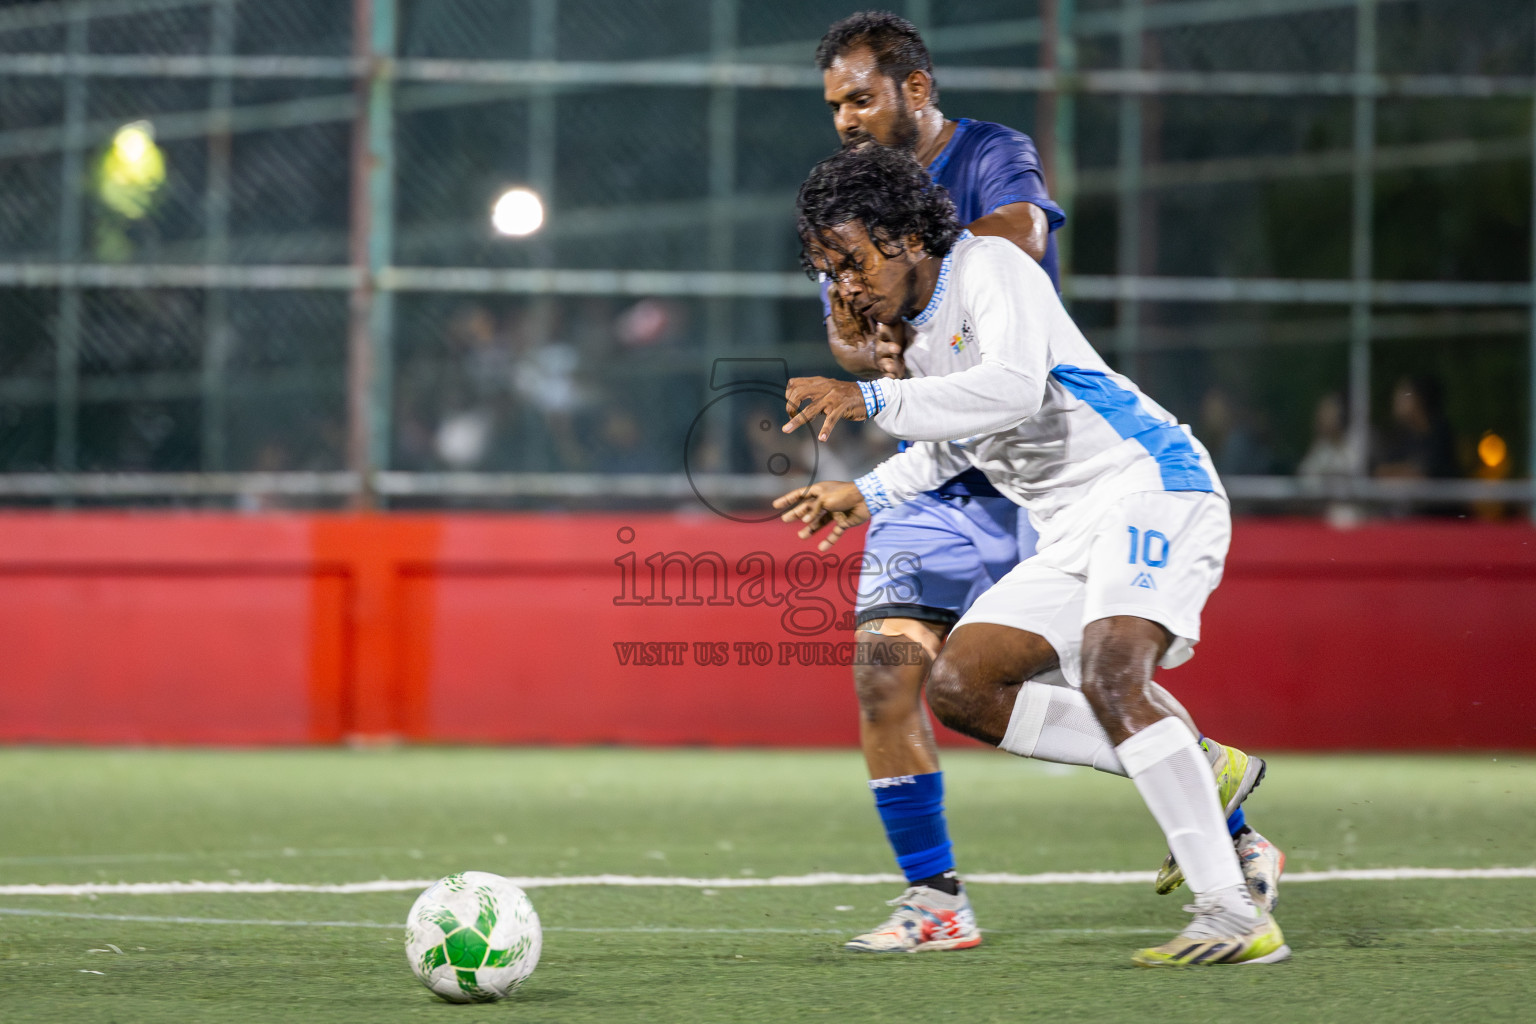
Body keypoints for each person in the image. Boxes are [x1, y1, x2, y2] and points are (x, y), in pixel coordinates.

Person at [802, 12, 1280, 956]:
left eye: (852, 264)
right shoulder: (922, 328)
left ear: (903, 238)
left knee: (1110, 671)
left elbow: (1015, 387)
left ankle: (1231, 909)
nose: (844, 289)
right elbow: (962, 445)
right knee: (960, 686)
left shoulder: (989, 267)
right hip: (1064, 523)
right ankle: (1192, 786)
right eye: (829, 272)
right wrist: (874, 492)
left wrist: (868, 394)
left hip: (1153, 486)